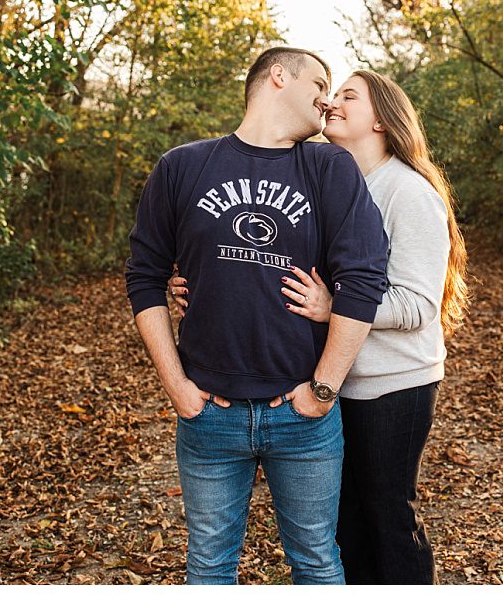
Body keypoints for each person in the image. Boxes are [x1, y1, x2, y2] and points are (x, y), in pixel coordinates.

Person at [171, 69, 468, 584]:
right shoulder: (329, 178)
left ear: (382, 120)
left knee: (389, 513)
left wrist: (338, 308)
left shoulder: (407, 191)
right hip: (335, 380)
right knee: (347, 520)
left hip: (391, 383)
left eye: (348, 96)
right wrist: (197, 283)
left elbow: (419, 307)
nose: (331, 102)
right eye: (331, 93)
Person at [124, 48, 390, 585]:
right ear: (277, 77)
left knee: (316, 560)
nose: (325, 97)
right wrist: (176, 385)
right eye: (319, 81)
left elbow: (363, 279)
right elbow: (145, 278)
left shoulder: (326, 167)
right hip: (209, 417)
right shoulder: (182, 166)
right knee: (209, 565)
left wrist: (322, 390)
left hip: (301, 417)